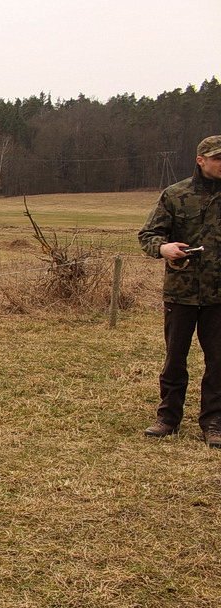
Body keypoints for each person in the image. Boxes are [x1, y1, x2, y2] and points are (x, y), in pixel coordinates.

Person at [138, 134, 221, 446]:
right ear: (201, 160)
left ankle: (214, 422)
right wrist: (164, 248)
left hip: (219, 296)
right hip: (181, 293)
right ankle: (168, 417)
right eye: (217, 158)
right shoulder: (175, 195)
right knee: (175, 358)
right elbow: (148, 234)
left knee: (218, 361)